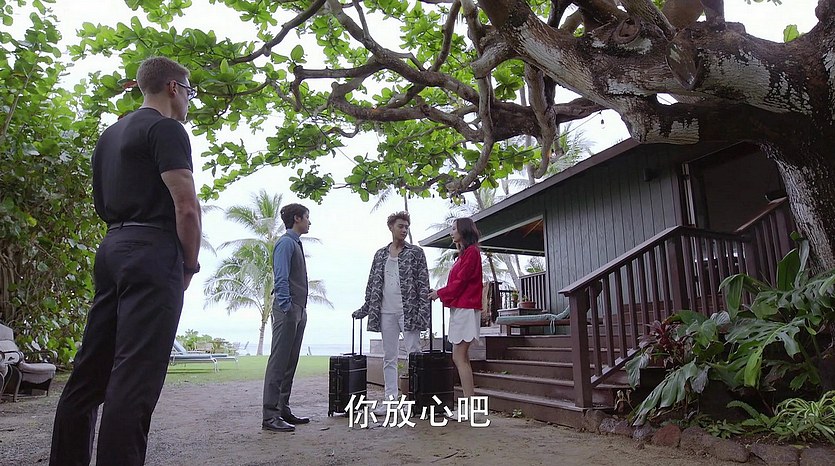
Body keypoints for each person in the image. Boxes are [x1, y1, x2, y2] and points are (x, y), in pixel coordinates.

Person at [50, 56, 202, 465]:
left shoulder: (111, 134)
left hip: (112, 248)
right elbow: (186, 206)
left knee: (90, 372)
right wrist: (189, 265)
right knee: (135, 379)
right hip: (152, 251)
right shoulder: (166, 129)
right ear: (173, 87)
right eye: (189, 91)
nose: (189, 100)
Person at [352, 211, 431, 406]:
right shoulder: (380, 254)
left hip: (409, 312)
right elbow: (372, 283)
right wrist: (365, 309)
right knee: (389, 357)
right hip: (385, 312)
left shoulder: (415, 253)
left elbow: (423, 284)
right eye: (400, 226)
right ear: (391, 227)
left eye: (406, 227)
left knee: (414, 354)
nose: (404, 230)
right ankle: (390, 401)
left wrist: (423, 312)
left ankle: (418, 400)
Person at [262, 203, 312, 432]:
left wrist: (300, 310)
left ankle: (283, 409)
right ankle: (270, 415)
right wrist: (287, 307)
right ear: (297, 218)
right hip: (288, 310)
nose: (309, 222)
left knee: (290, 362)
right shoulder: (285, 243)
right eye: (307, 217)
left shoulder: (296, 243)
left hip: (298, 309)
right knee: (279, 363)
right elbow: (280, 277)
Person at [428, 217, 482, 406]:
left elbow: (461, 282)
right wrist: (440, 293)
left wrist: (439, 293)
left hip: (465, 309)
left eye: (454, 228)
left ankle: (471, 405)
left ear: (463, 230)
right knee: (462, 357)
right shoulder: (465, 253)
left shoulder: (471, 253)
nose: (451, 232)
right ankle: (470, 405)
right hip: (461, 308)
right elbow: (458, 283)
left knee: (458, 357)